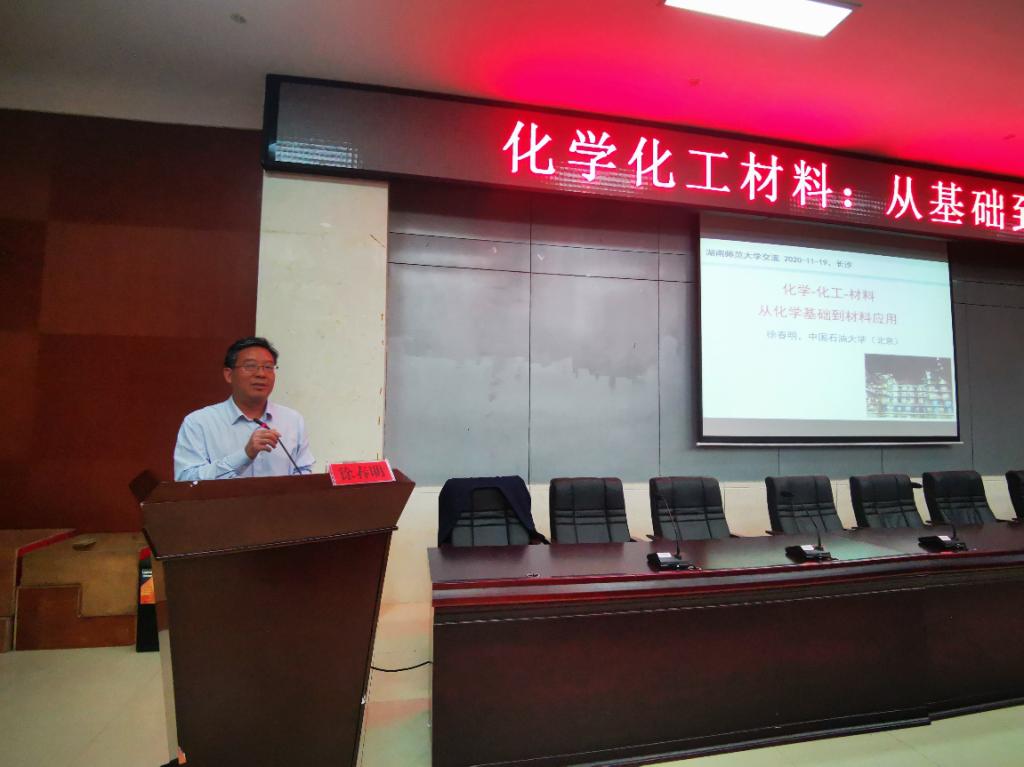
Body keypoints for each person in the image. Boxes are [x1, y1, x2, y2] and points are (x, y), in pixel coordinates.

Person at [173, 337, 314, 481]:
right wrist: (245, 455)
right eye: (251, 366)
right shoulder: (199, 422)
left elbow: (304, 472)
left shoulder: (292, 420)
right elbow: (186, 479)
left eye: (268, 367)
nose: (261, 374)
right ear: (229, 375)